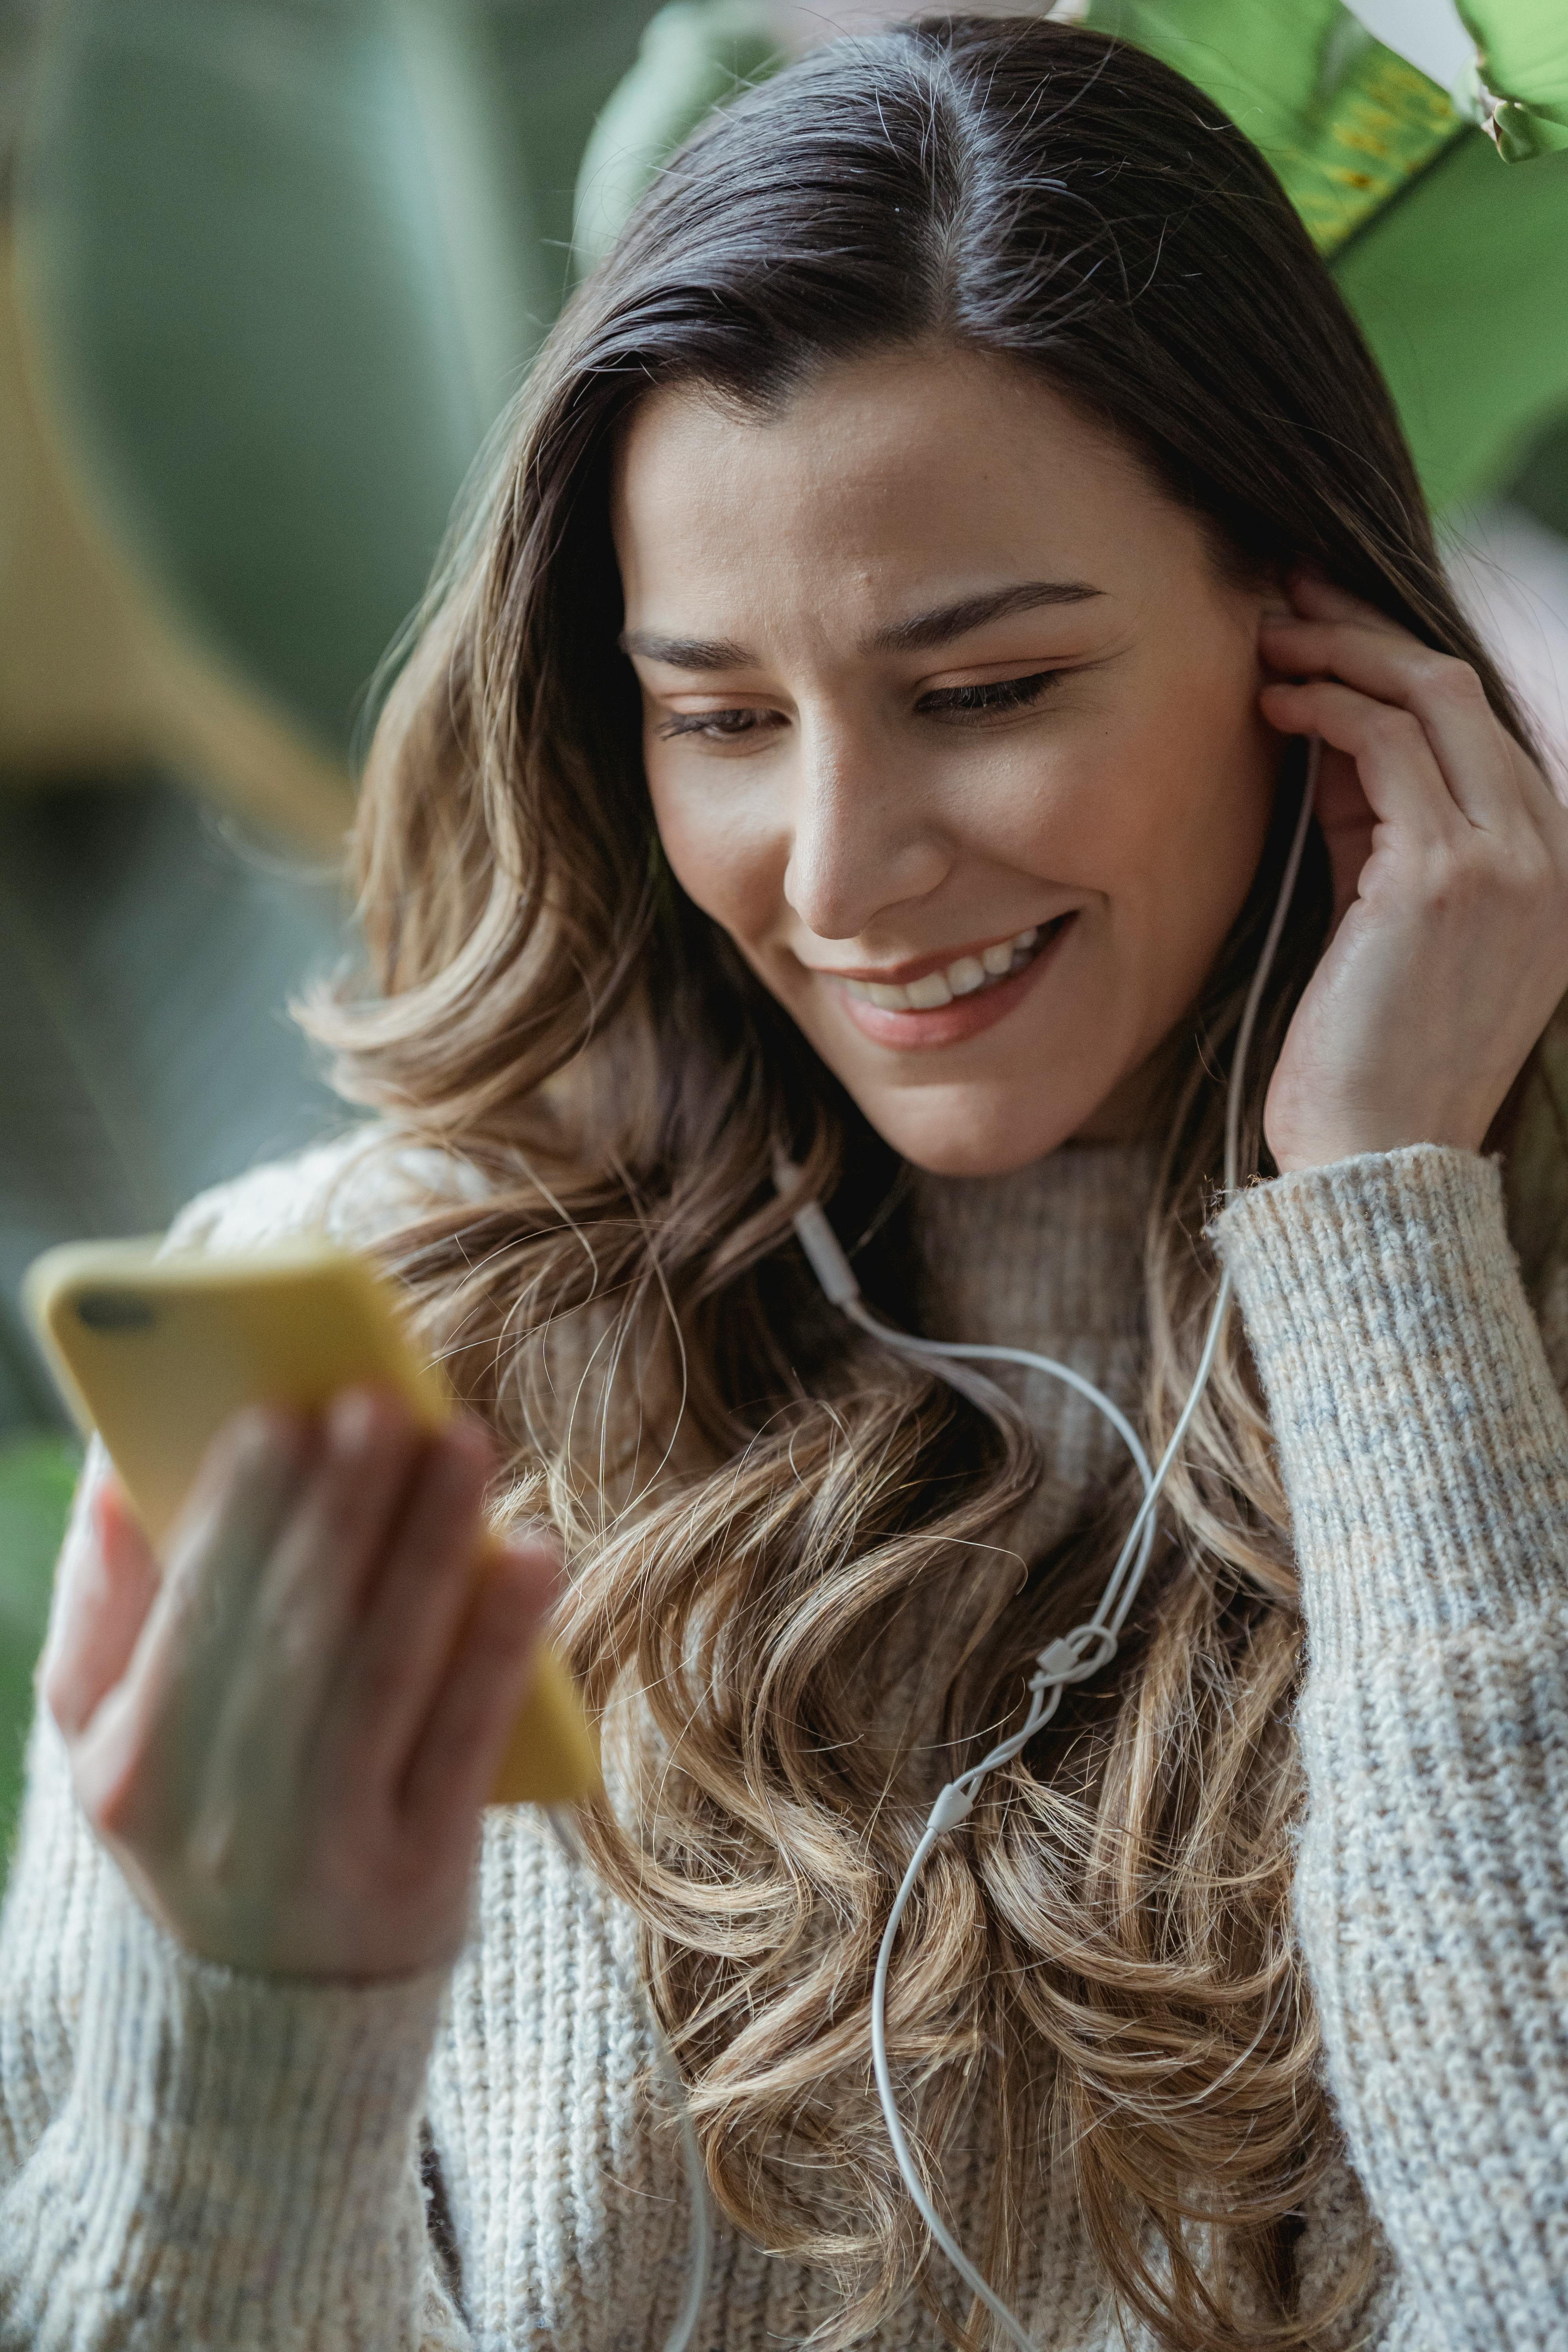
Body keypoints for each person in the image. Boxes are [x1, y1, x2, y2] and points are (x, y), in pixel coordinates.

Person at [4, 16, 1567, 2350]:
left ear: (1307, 639)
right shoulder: (373, 1341)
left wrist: (1381, 1249)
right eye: (721, 719)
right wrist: (258, 2040)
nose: (838, 872)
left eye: (982, 693)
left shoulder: (1492, 1362)